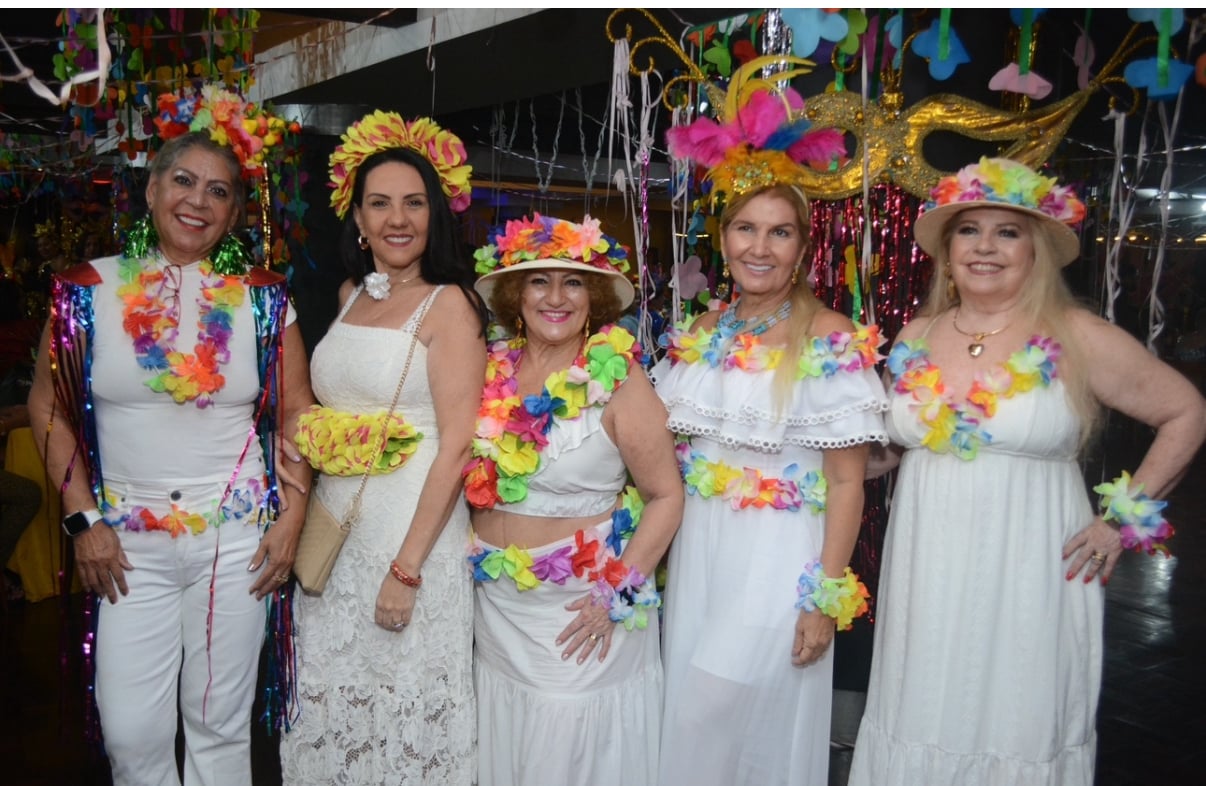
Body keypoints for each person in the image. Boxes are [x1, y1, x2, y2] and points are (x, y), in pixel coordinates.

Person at [847, 157, 1206, 786]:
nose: (985, 246)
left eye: (1007, 232)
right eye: (969, 230)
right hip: (927, 563)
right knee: (924, 700)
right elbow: (887, 451)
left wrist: (1118, 523)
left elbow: (1186, 412)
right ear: (949, 249)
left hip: (1030, 567)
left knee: (1017, 710)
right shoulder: (917, 333)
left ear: (1036, 249)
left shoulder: (1075, 334)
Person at [26, 85, 312, 786]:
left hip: (238, 541)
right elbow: (47, 408)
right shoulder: (86, 290)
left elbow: (298, 412)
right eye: (183, 180)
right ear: (152, 190)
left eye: (219, 191)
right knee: (130, 731)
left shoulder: (263, 295)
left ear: (234, 211)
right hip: (126, 545)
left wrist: (294, 516)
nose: (199, 201)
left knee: (219, 729)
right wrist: (83, 522)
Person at [654, 76, 889, 785]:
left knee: (720, 712)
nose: (761, 247)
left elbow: (849, 480)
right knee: (698, 725)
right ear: (722, 238)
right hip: (702, 553)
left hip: (779, 560)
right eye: (746, 228)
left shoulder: (828, 335)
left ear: (802, 246)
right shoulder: (700, 331)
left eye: (779, 232)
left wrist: (824, 599)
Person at [279, 111, 487, 785]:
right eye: (380, 204)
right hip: (336, 534)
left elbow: (457, 446)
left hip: (410, 533)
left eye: (414, 203)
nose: (398, 220)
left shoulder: (449, 305)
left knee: (402, 709)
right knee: (333, 700)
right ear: (359, 221)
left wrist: (406, 569)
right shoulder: (345, 296)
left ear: (435, 216)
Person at [463, 213, 683, 786]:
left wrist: (618, 592)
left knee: (564, 756)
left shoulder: (618, 379)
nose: (555, 297)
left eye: (574, 282)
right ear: (516, 292)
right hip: (498, 611)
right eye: (540, 281)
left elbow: (664, 496)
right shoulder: (491, 369)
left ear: (597, 297)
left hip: (582, 614)